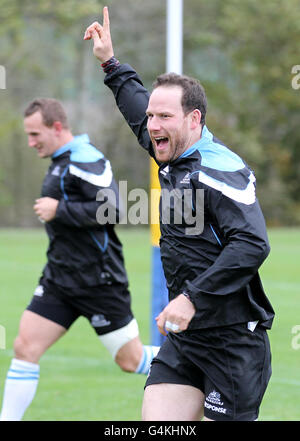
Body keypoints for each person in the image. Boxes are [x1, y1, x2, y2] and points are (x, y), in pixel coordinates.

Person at [83, 7, 275, 421]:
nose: (152, 124)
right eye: (153, 116)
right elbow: (137, 109)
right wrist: (110, 62)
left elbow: (253, 244)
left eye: (164, 116)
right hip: (186, 339)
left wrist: (191, 298)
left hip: (233, 342)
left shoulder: (220, 169)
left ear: (194, 119)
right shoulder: (172, 148)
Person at [0, 97, 159, 421]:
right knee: (25, 348)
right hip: (59, 279)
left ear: (56, 127)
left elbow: (114, 209)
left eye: (35, 135)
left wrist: (60, 210)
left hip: (98, 281)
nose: (31, 143)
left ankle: (200, 358)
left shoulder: (85, 159)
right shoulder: (59, 159)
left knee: (131, 361)